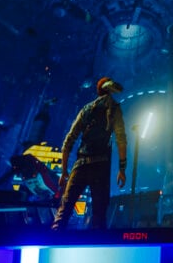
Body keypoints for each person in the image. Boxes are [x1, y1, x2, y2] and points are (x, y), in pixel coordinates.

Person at [51, 77, 128, 230]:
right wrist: (122, 169)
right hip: (100, 166)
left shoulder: (86, 109)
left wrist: (64, 171)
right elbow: (121, 140)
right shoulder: (114, 108)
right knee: (99, 215)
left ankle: (53, 239)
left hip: (80, 166)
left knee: (63, 213)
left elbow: (68, 141)